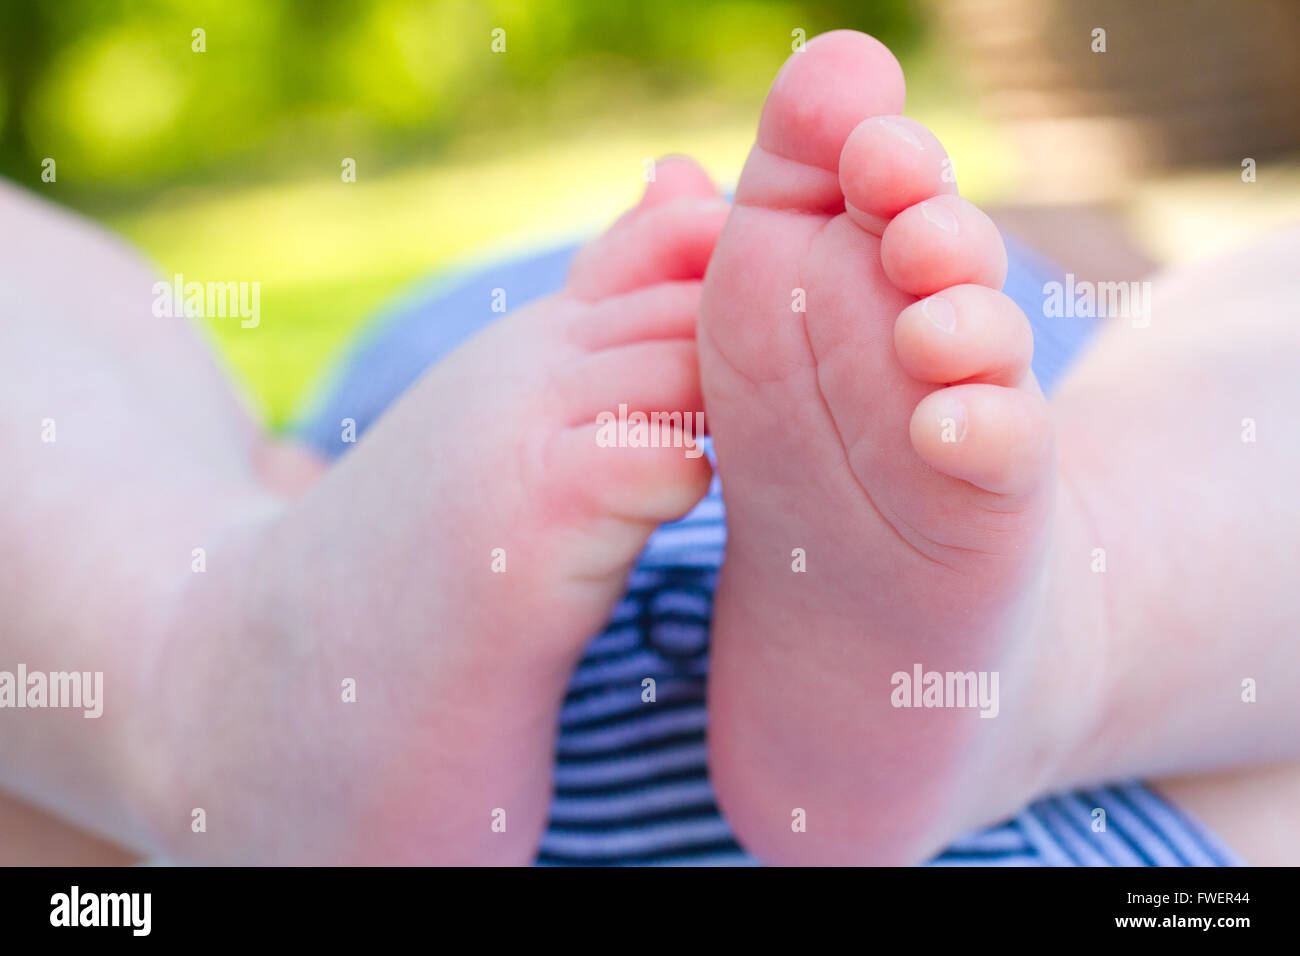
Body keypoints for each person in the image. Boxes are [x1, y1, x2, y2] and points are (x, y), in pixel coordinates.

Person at [2, 30, 1295, 866]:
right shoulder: (1077, 314)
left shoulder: (390, 427)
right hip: (1111, 817)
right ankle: (1077, 628)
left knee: (67, 381)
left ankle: (182, 666)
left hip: (298, 715)